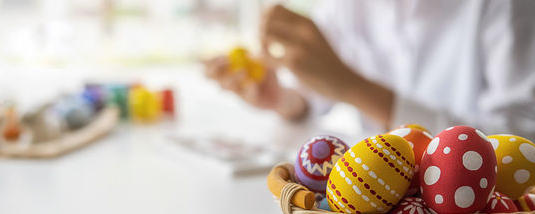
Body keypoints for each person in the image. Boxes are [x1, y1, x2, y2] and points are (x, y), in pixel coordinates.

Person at [204, 1, 535, 140]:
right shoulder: (349, 5)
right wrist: (282, 98)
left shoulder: (506, 8)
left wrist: (353, 88)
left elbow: (520, 148)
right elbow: (319, 92)